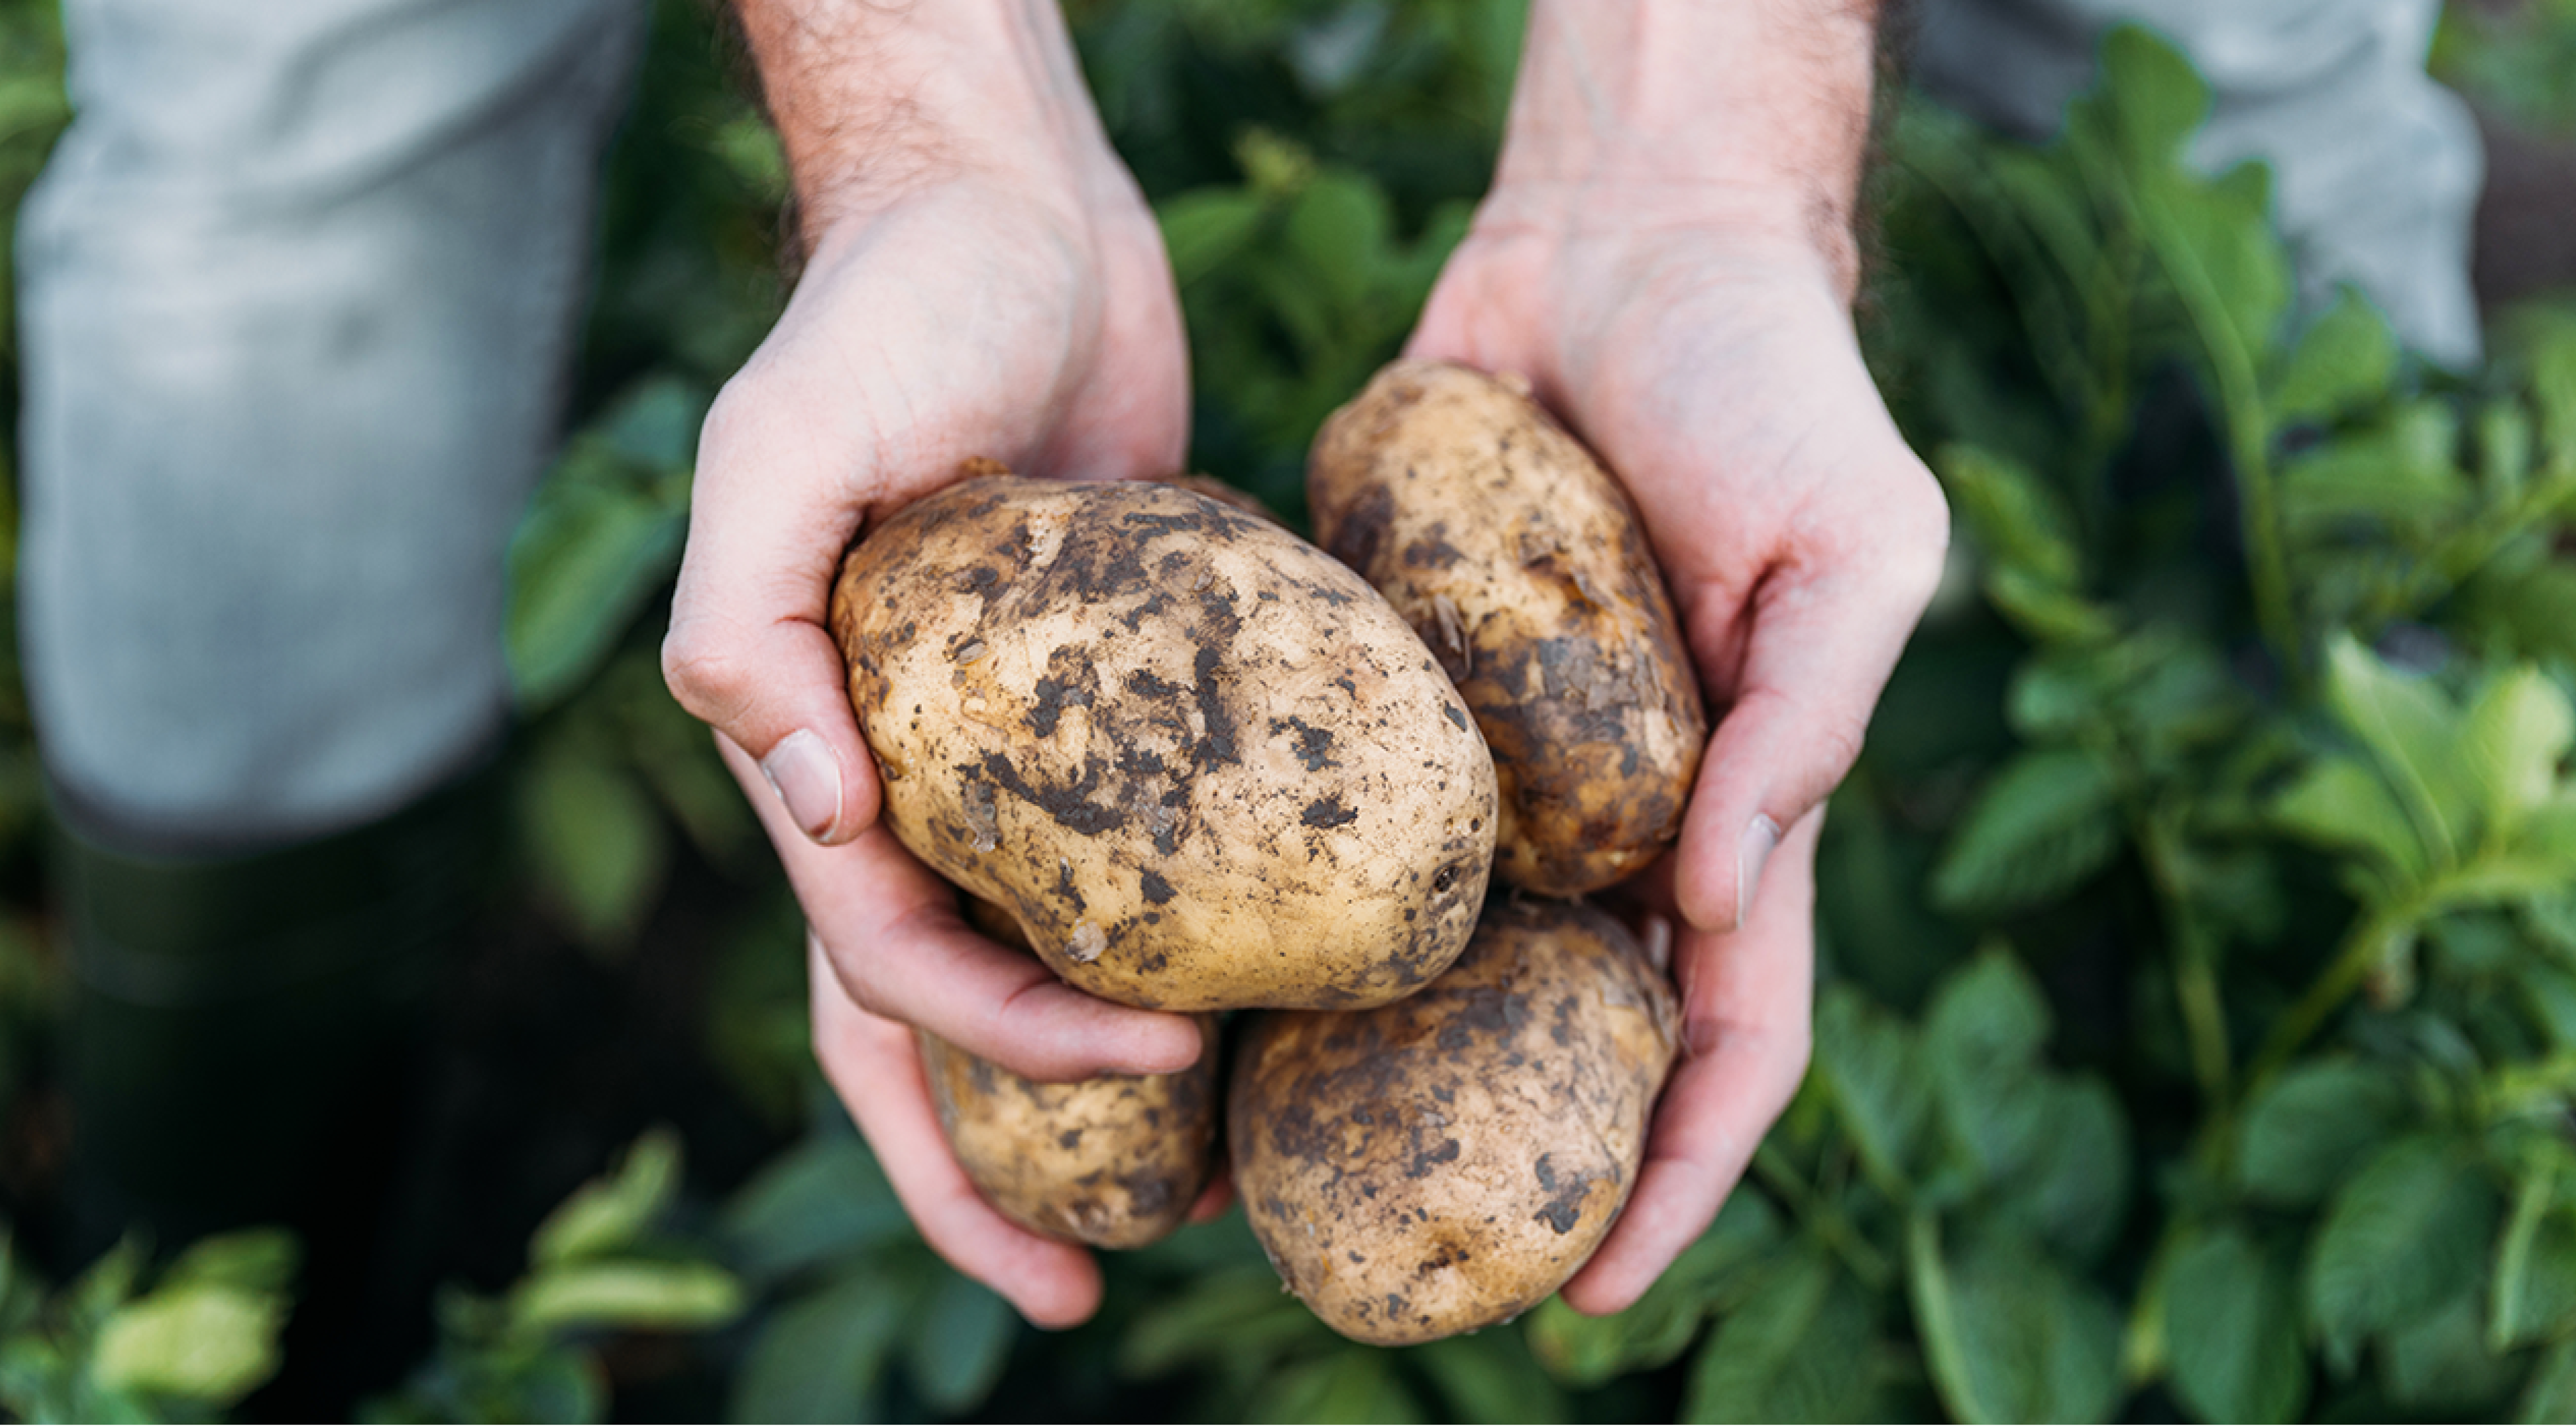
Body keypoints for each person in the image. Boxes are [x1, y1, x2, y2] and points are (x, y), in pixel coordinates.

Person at [16, 0, 2474, 1337]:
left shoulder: (1495, 825)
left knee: (2234, 66)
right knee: (306, 114)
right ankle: (224, 1224)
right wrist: (929, 123)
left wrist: (1696, 149)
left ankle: (2393, 1004)